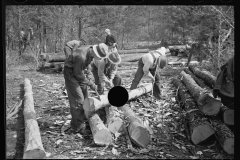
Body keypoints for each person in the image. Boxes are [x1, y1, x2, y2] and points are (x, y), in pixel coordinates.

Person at [64, 43, 108, 134]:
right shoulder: (81, 57)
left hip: (79, 71)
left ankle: (84, 119)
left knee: (85, 96)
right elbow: (78, 74)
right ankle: (76, 127)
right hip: (71, 74)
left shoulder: (90, 51)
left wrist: (91, 79)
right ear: (96, 53)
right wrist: (90, 83)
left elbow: (88, 68)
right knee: (78, 100)